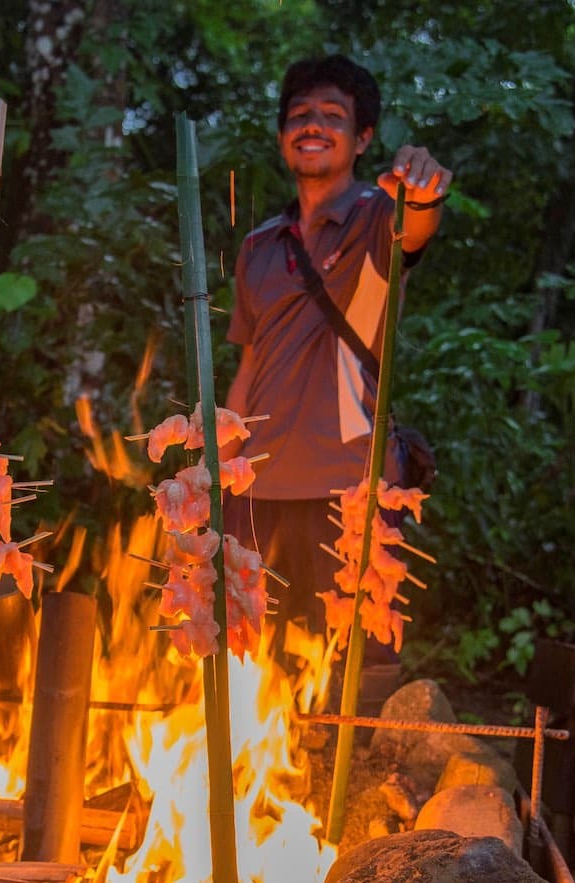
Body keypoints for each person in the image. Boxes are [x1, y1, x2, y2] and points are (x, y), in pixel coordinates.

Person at [221, 54, 451, 662]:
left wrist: (423, 189)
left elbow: (418, 223)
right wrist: (217, 480)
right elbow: (249, 369)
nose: (313, 125)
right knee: (247, 674)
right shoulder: (257, 246)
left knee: (354, 672)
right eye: (299, 114)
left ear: (363, 137)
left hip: (351, 491)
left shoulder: (380, 215)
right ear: (282, 135)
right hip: (255, 497)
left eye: (332, 115)